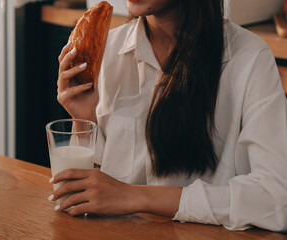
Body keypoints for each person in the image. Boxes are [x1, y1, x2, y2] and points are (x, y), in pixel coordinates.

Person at [51, 0, 287, 232]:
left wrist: (136, 197)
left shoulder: (249, 57)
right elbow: (83, 196)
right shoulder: (107, 50)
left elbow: (276, 200)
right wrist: (85, 119)